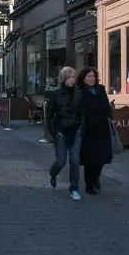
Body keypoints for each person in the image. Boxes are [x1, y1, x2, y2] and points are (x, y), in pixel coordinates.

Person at [47, 67, 82, 200]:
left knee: (75, 160)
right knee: (61, 161)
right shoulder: (56, 94)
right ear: (64, 78)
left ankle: (74, 188)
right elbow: (49, 114)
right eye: (70, 77)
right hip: (61, 131)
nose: (72, 79)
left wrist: (80, 128)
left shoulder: (79, 93)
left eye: (73, 76)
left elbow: (83, 113)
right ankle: (53, 173)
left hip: (75, 130)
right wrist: (55, 132)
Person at [76, 67, 113, 195]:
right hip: (88, 129)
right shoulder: (80, 91)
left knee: (102, 157)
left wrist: (110, 118)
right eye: (89, 77)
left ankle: (96, 178)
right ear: (83, 79)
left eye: (93, 76)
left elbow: (107, 107)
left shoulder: (100, 89)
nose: (91, 79)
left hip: (102, 127)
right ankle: (89, 184)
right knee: (90, 159)